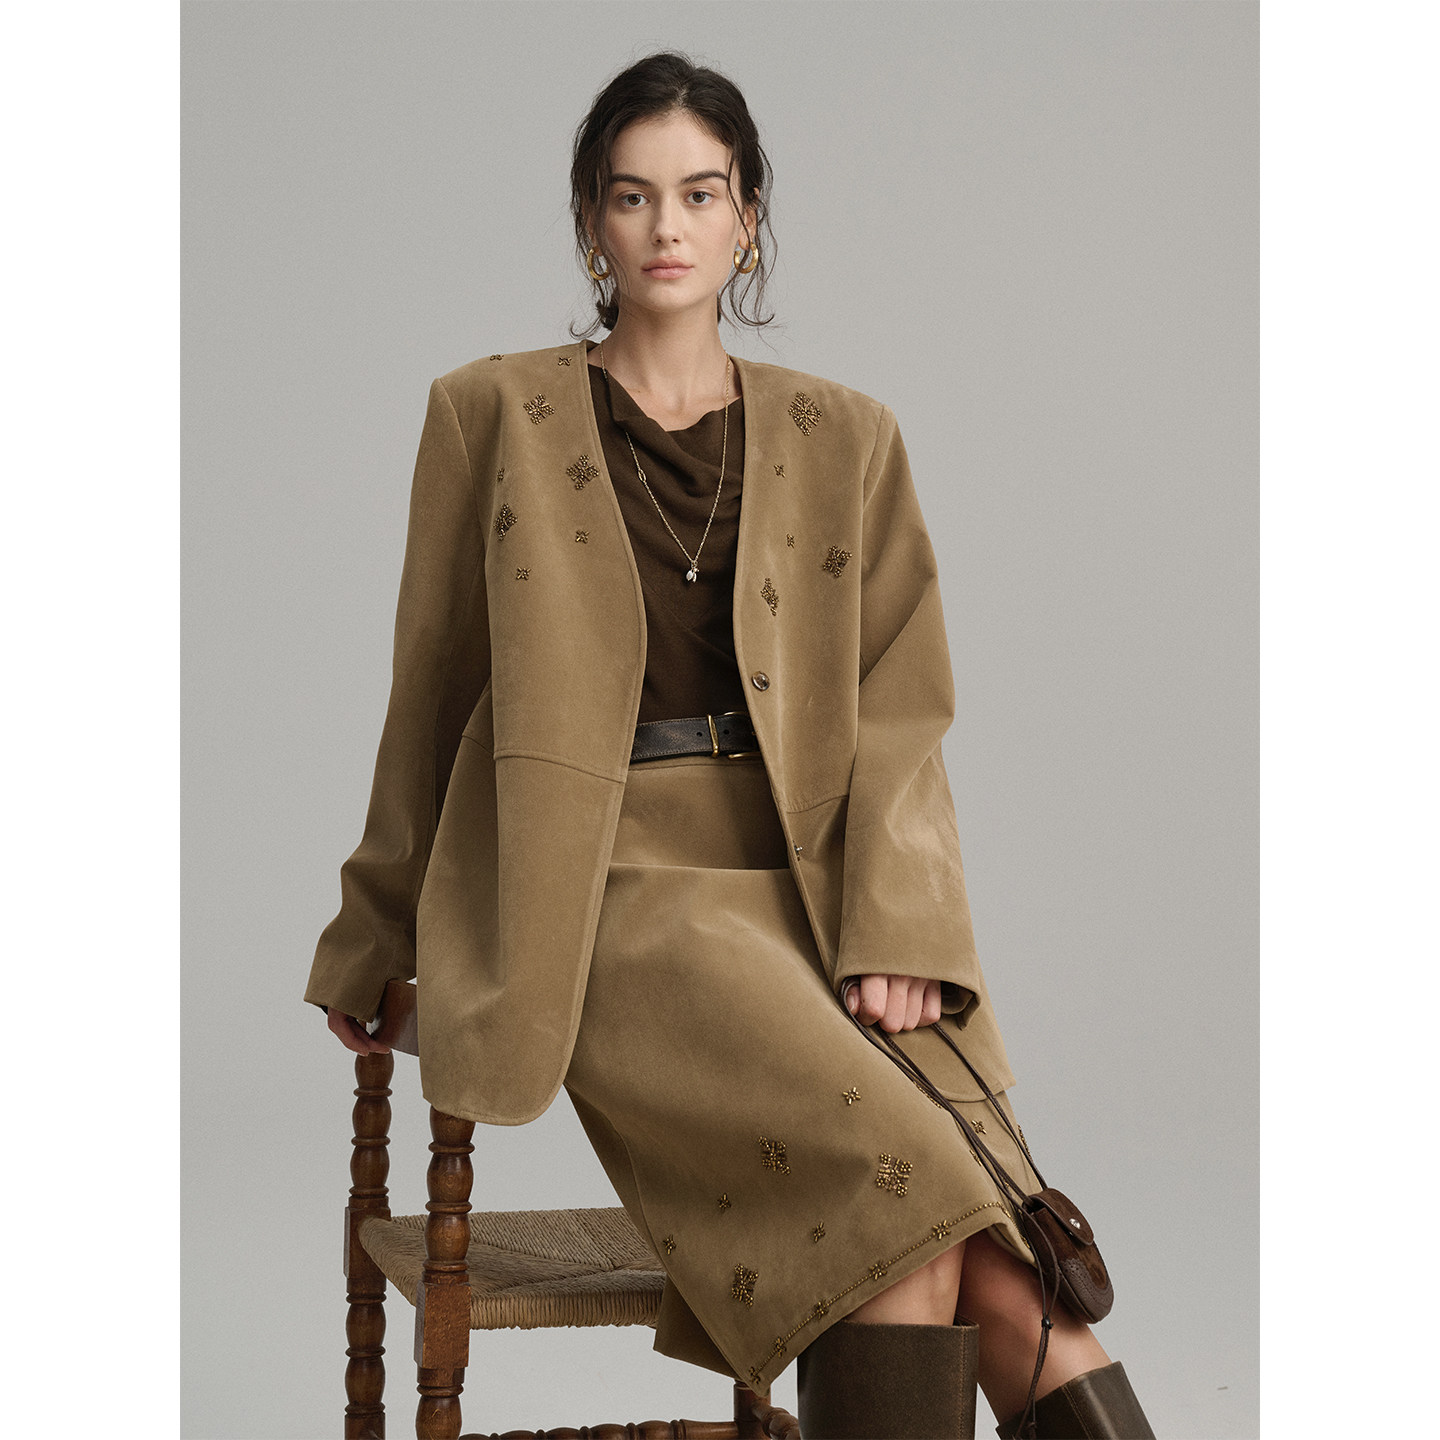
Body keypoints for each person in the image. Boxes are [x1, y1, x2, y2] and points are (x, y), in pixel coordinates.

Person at [305, 51, 1156, 1440]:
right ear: (591, 221)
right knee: (912, 1203)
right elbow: (433, 689)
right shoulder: (490, 412)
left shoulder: (849, 435)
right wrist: (373, 934)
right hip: (605, 890)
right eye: (632, 196)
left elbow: (901, 707)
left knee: (1001, 1262)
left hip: (806, 878)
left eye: (701, 194)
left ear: (748, 219)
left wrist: (898, 923)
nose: (668, 227)